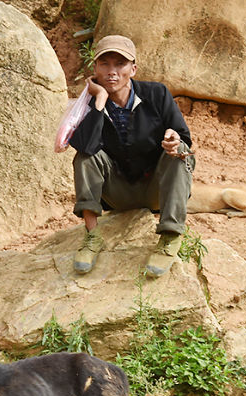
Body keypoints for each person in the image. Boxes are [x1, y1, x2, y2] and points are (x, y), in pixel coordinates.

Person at [69, 34, 194, 277]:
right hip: (118, 194)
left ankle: (170, 237)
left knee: (180, 152)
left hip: (157, 188)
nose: (111, 72)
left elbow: (183, 136)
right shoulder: (88, 103)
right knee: (85, 157)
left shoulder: (157, 94)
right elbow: (85, 147)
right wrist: (100, 99)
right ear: (95, 69)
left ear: (133, 69)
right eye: (104, 64)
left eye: (120, 64)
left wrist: (173, 140)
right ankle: (92, 237)